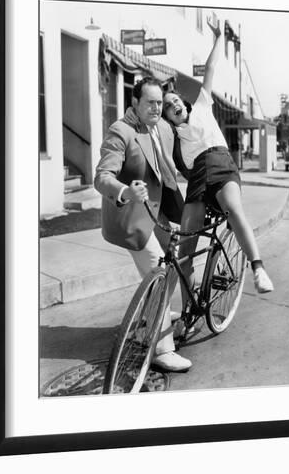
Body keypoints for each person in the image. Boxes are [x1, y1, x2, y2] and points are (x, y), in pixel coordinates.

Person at [162, 16, 274, 297]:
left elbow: (210, 67)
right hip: (199, 180)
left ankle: (258, 268)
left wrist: (219, 38)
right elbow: (181, 169)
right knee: (185, 249)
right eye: (167, 106)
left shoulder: (201, 105)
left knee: (234, 209)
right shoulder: (174, 139)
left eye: (175, 100)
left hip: (222, 166)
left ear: (183, 103)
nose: (174, 104)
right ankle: (189, 308)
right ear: (166, 116)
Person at [94, 77, 192, 372]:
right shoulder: (120, 131)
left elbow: (175, 164)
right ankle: (162, 349)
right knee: (157, 269)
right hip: (133, 216)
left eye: (159, 102)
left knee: (174, 261)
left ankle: (149, 320)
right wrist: (125, 192)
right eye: (150, 102)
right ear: (134, 102)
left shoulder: (162, 126)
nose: (156, 108)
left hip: (159, 211)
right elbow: (102, 177)